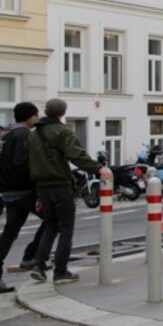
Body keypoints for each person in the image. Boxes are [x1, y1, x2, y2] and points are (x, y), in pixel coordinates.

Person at [28, 98, 112, 284]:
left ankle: (39, 266)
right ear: (62, 112)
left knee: (50, 226)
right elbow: (77, 155)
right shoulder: (63, 132)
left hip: (42, 187)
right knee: (66, 229)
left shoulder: (33, 134)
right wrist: (98, 168)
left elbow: (29, 161)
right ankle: (61, 272)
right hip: (60, 185)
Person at [0, 102, 47, 292]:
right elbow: (22, 163)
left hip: (9, 191)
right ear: (31, 116)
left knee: (10, 232)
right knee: (53, 219)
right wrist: (36, 182)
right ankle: (31, 256)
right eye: (36, 114)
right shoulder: (23, 135)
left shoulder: (7, 135)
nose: (38, 117)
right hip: (24, 190)